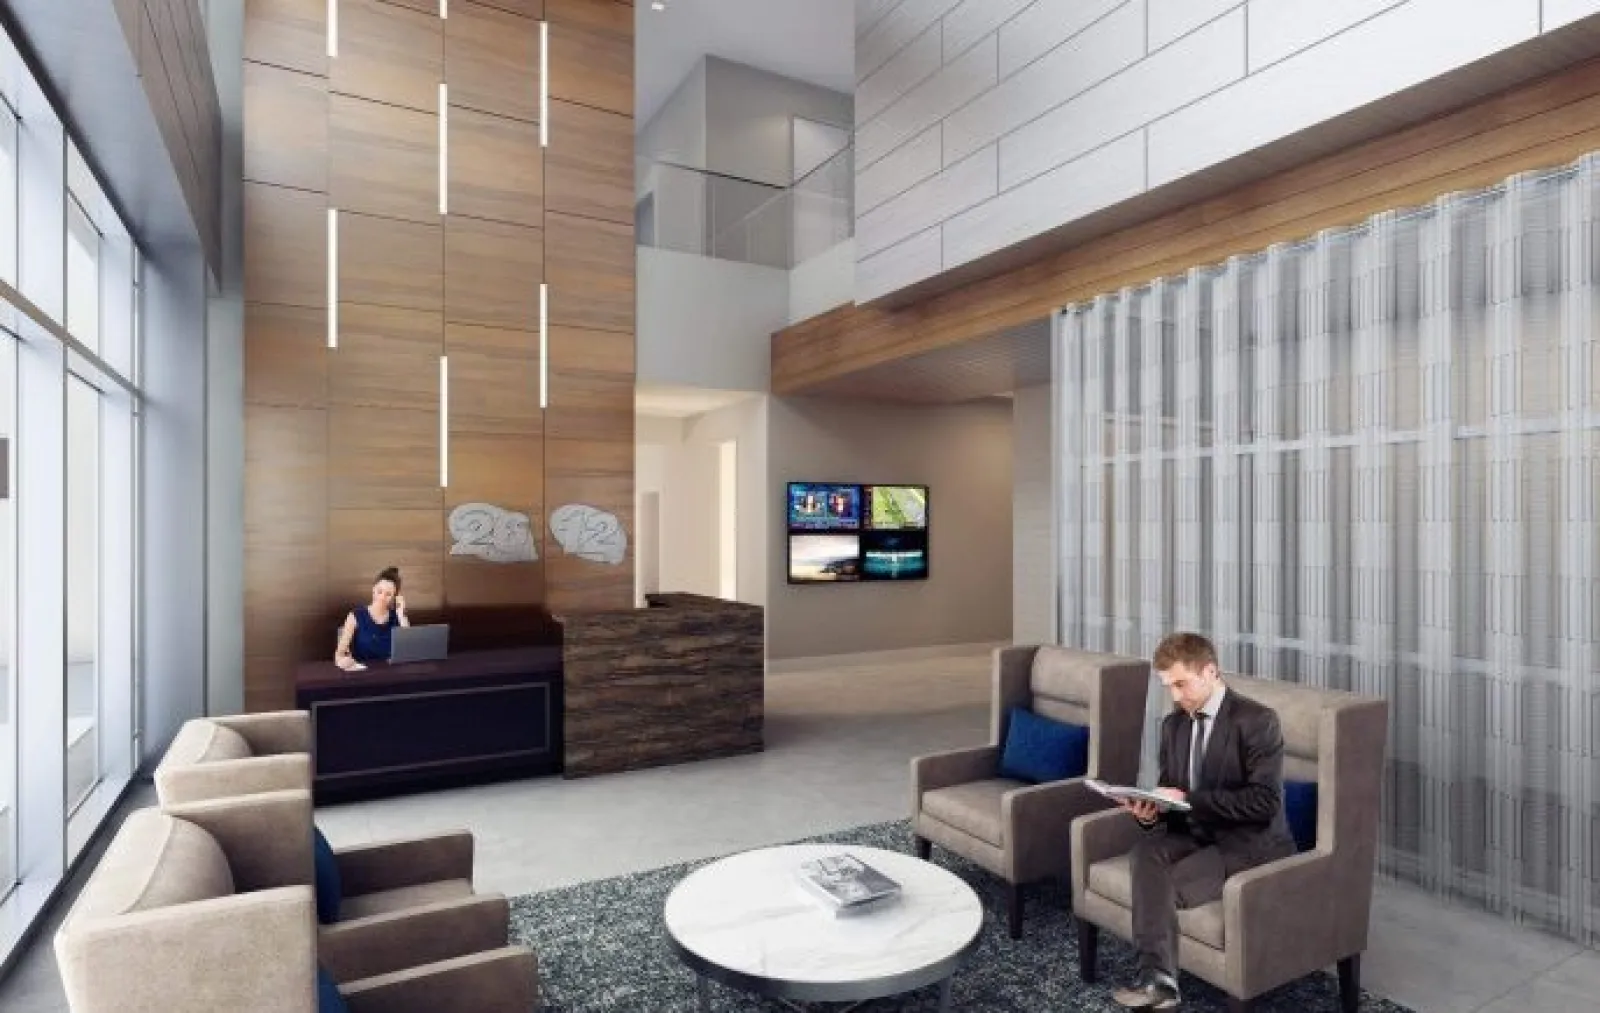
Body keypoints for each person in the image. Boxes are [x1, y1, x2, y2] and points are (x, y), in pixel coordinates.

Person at [1112, 631, 1295, 1010]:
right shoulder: (1173, 725)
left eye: (1181, 683)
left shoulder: (1257, 721)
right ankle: (1158, 979)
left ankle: (1159, 985)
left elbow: (1265, 802)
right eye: (1168, 687)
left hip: (1248, 843)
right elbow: (1170, 792)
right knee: (1144, 853)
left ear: (1210, 671)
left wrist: (1190, 800)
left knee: (1159, 887)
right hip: (1195, 832)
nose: (1176, 696)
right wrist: (1150, 812)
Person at [333, 566, 410, 671]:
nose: (382, 597)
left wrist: (401, 614)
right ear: (373, 589)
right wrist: (342, 661)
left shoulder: (397, 617)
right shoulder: (356, 615)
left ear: (394, 597)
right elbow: (339, 655)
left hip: (391, 674)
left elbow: (408, 650)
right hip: (362, 674)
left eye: (388, 594)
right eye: (380, 591)